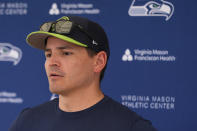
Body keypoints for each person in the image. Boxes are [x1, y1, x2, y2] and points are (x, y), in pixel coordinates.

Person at [9, 16, 157, 131]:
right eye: (48, 55)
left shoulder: (131, 127)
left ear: (99, 61)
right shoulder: (27, 121)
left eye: (66, 53)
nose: (52, 62)